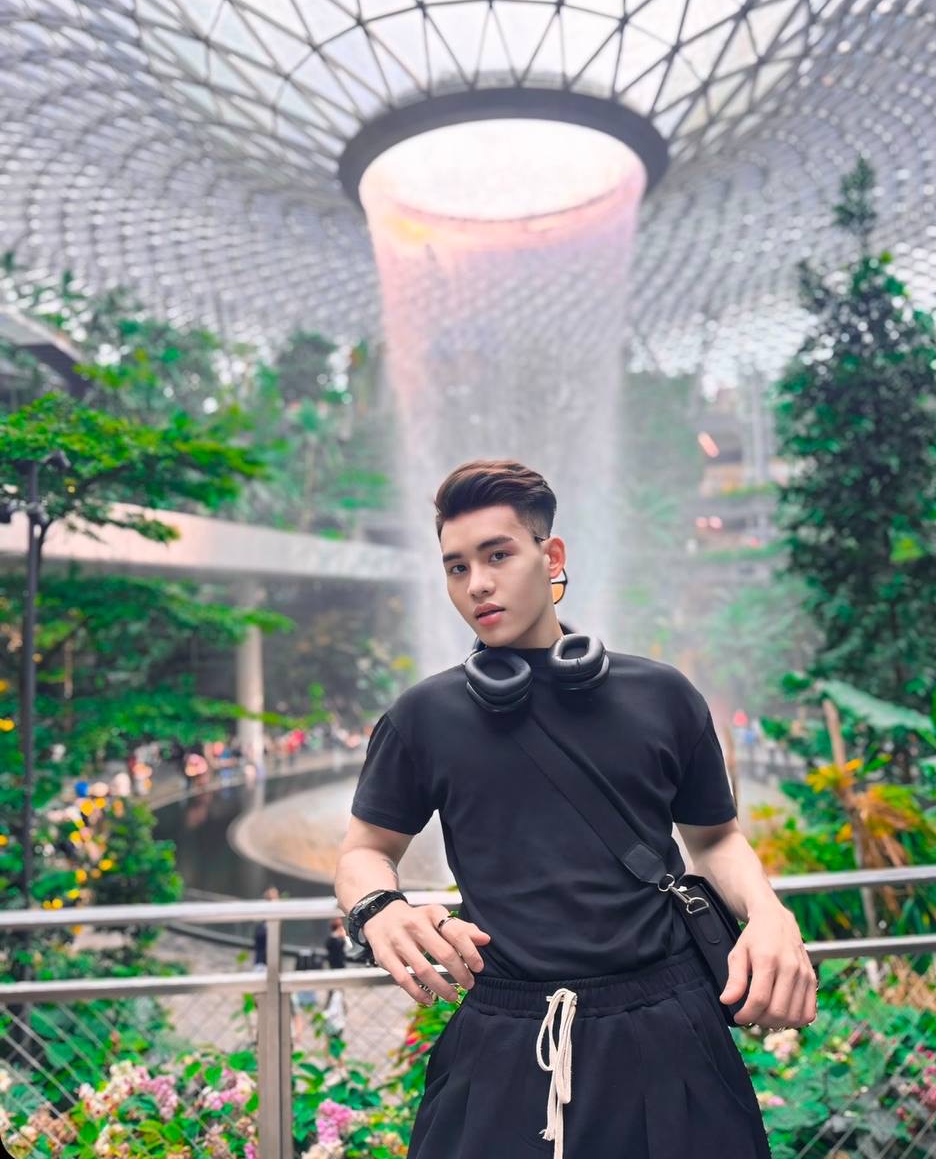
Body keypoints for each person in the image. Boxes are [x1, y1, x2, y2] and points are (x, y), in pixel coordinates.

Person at [334, 460, 817, 1159]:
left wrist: (768, 914)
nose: (477, 584)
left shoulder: (664, 695)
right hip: (506, 1039)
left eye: (497, 555)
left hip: (671, 1030)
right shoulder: (422, 717)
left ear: (551, 556)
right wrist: (380, 909)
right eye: (456, 567)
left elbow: (714, 838)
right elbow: (364, 850)